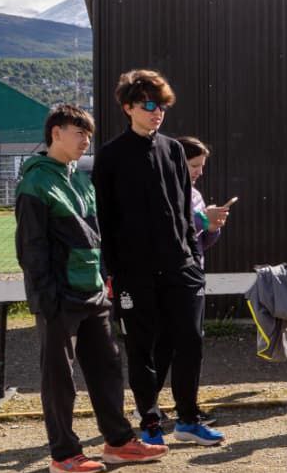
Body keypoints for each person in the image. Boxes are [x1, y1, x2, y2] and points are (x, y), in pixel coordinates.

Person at [15, 104, 168, 473]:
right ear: (56, 133)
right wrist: (46, 297)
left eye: (89, 134)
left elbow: (95, 237)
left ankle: (118, 442)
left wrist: (103, 281)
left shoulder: (81, 179)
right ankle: (64, 455)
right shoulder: (36, 181)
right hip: (59, 298)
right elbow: (31, 248)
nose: (86, 141)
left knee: (108, 368)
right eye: (79, 133)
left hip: (94, 293)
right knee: (59, 379)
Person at [92, 70, 222, 446]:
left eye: (162, 105)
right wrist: (113, 271)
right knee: (142, 348)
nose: (157, 112)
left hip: (181, 266)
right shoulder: (111, 156)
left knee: (190, 341)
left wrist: (190, 254)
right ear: (128, 107)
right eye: (148, 105)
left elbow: (183, 209)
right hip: (134, 272)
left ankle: (188, 419)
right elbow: (104, 218)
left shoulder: (173, 150)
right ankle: (150, 422)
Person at [149, 136, 233, 426]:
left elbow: (199, 242)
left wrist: (213, 227)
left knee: (188, 343)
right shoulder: (162, 190)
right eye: (194, 165)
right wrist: (201, 220)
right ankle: (151, 405)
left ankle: (185, 407)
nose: (199, 171)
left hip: (193, 273)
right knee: (166, 343)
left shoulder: (194, 194)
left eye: (202, 165)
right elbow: (168, 230)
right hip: (168, 277)